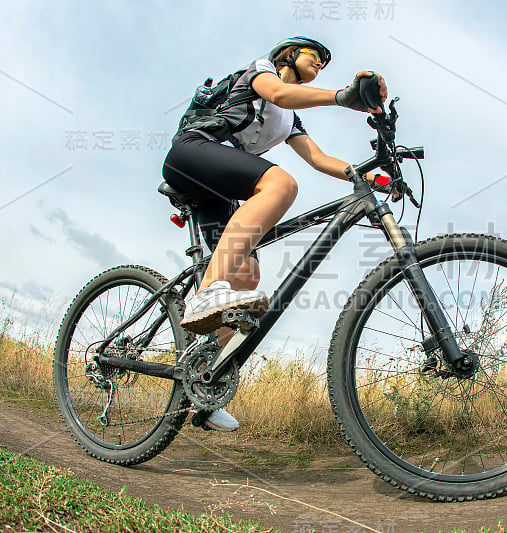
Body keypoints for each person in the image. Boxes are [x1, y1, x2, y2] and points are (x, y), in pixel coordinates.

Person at [161, 36, 388, 431]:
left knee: (246, 275)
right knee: (281, 185)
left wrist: (369, 174)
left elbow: (318, 159)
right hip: (193, 152)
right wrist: (342, 96)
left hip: (219, 187)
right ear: (288, 56)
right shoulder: (262, 73)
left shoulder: (288, 120)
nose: (319, 64)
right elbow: (280, 93)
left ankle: (207, 381)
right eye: (314, 57)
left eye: (323, 62)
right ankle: (207, 291)